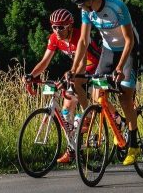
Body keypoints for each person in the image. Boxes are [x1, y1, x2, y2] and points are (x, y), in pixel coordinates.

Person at [69, 0, 143, 166]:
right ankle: (119, 128)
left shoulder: (116, 7)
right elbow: (83, 42)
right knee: (97, 94)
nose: (81, 7)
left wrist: (120, 67)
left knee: (125, 97)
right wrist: (74, 68)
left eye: (82, 3)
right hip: (108, 51)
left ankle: (133, 143)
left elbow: (129, 40)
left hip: (129, 49)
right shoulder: (87, 12)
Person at [25, 9, 101, 164]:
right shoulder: (54, 38)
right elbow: (45, 61)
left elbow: (82, 62)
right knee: (67, 107)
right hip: (76, 69)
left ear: (70, 26)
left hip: (95, 67)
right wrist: (31, 76)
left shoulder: (79, 35)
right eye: (54, 26)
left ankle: (88, 116)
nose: (57, 30)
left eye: (61, 27)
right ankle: (72, 149)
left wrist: (71, 76)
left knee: (76, 86)